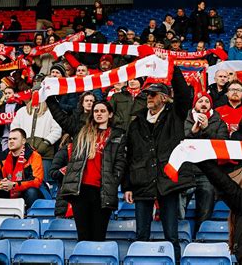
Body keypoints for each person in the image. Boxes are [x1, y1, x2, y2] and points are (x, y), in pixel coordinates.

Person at [122, 67, 193, 260]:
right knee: (141, 235)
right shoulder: (136, 123)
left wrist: (173, 68)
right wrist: (127, 185)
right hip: (142, 182)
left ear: (164, 97)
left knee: (172, 235)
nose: (148, 98)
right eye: (147, 95)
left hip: (167, 182)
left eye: (153, 94)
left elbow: (184, 95)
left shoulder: (175, 115)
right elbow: (131, 156)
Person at [58, 101, 126, 241]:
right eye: (96, 111)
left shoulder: (118, 135)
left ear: (110, 114)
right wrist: (49, 96)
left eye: (102, 111)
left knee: (98, 237)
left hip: (102, 192)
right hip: (80, 191)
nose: (99, 114)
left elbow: (120, 163)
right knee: (83, 237)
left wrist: (113, 182)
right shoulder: (81, 131)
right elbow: (61, 118)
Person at [184, 92, 228, 232]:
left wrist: (206, 129)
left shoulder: (219, 121)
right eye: (200, 101)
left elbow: (221, 145)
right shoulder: (184, 118)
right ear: (194, 104)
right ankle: (181, 236)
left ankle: (199, 238)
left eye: (207, 101)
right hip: (186, 170)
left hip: (207, 172)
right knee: (178, 209)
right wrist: (193, 131)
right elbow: (178, 139)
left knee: (205, 210)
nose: (203, 104)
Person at [0, 128, 44, 209]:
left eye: (14, 139)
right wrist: (2, 184)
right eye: (9, 139)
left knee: (32, 192)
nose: (11, 141)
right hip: (7, 191)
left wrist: (14, 185)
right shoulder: (2, 156)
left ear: (23, 141)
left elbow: (36, 181)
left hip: (25, 191)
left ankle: (31, 218)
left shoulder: (34, 156)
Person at [11, 100, 62, 182]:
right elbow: (14, 129)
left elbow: (57, 130)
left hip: (45, 154)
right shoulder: (22, 111)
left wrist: (46, 142)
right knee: (23, 181)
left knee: (44, 182)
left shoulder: (51, 112)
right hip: (24, 153)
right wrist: (23, 143)